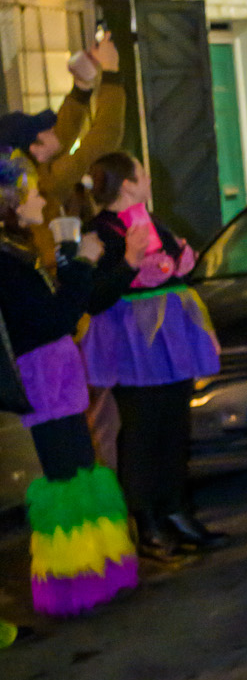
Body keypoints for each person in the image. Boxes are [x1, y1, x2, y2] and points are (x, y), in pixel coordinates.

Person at [0, 148, 144, 615]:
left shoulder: (15, 252)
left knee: (80, 473)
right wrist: (81, 264)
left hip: (54, 378)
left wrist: (69, 263)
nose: (42, 201)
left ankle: (98, 573)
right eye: (32, 194)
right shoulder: (5, 261)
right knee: (67, 481)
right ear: (10, 202)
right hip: (43, 381)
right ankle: (76, 583)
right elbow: (53, 320)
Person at [82, 152, 223, 559]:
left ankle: (175, 509)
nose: (148, 179)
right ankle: (147, 522)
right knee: (142, 431)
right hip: (132, 346)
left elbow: (178, 263)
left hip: (170, 341)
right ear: (127, 184)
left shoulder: (151, 219)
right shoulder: (100, 231)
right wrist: (130, 261)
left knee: (173, 426)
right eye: (142, 173)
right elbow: (95, 295)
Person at [0, 34, 126, 262]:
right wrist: (110, 72)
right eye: (41, 134)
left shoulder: (29, 179)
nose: (52, 132)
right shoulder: (44, 185)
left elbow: (61, 137)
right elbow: (103, 139)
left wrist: (82, 87)